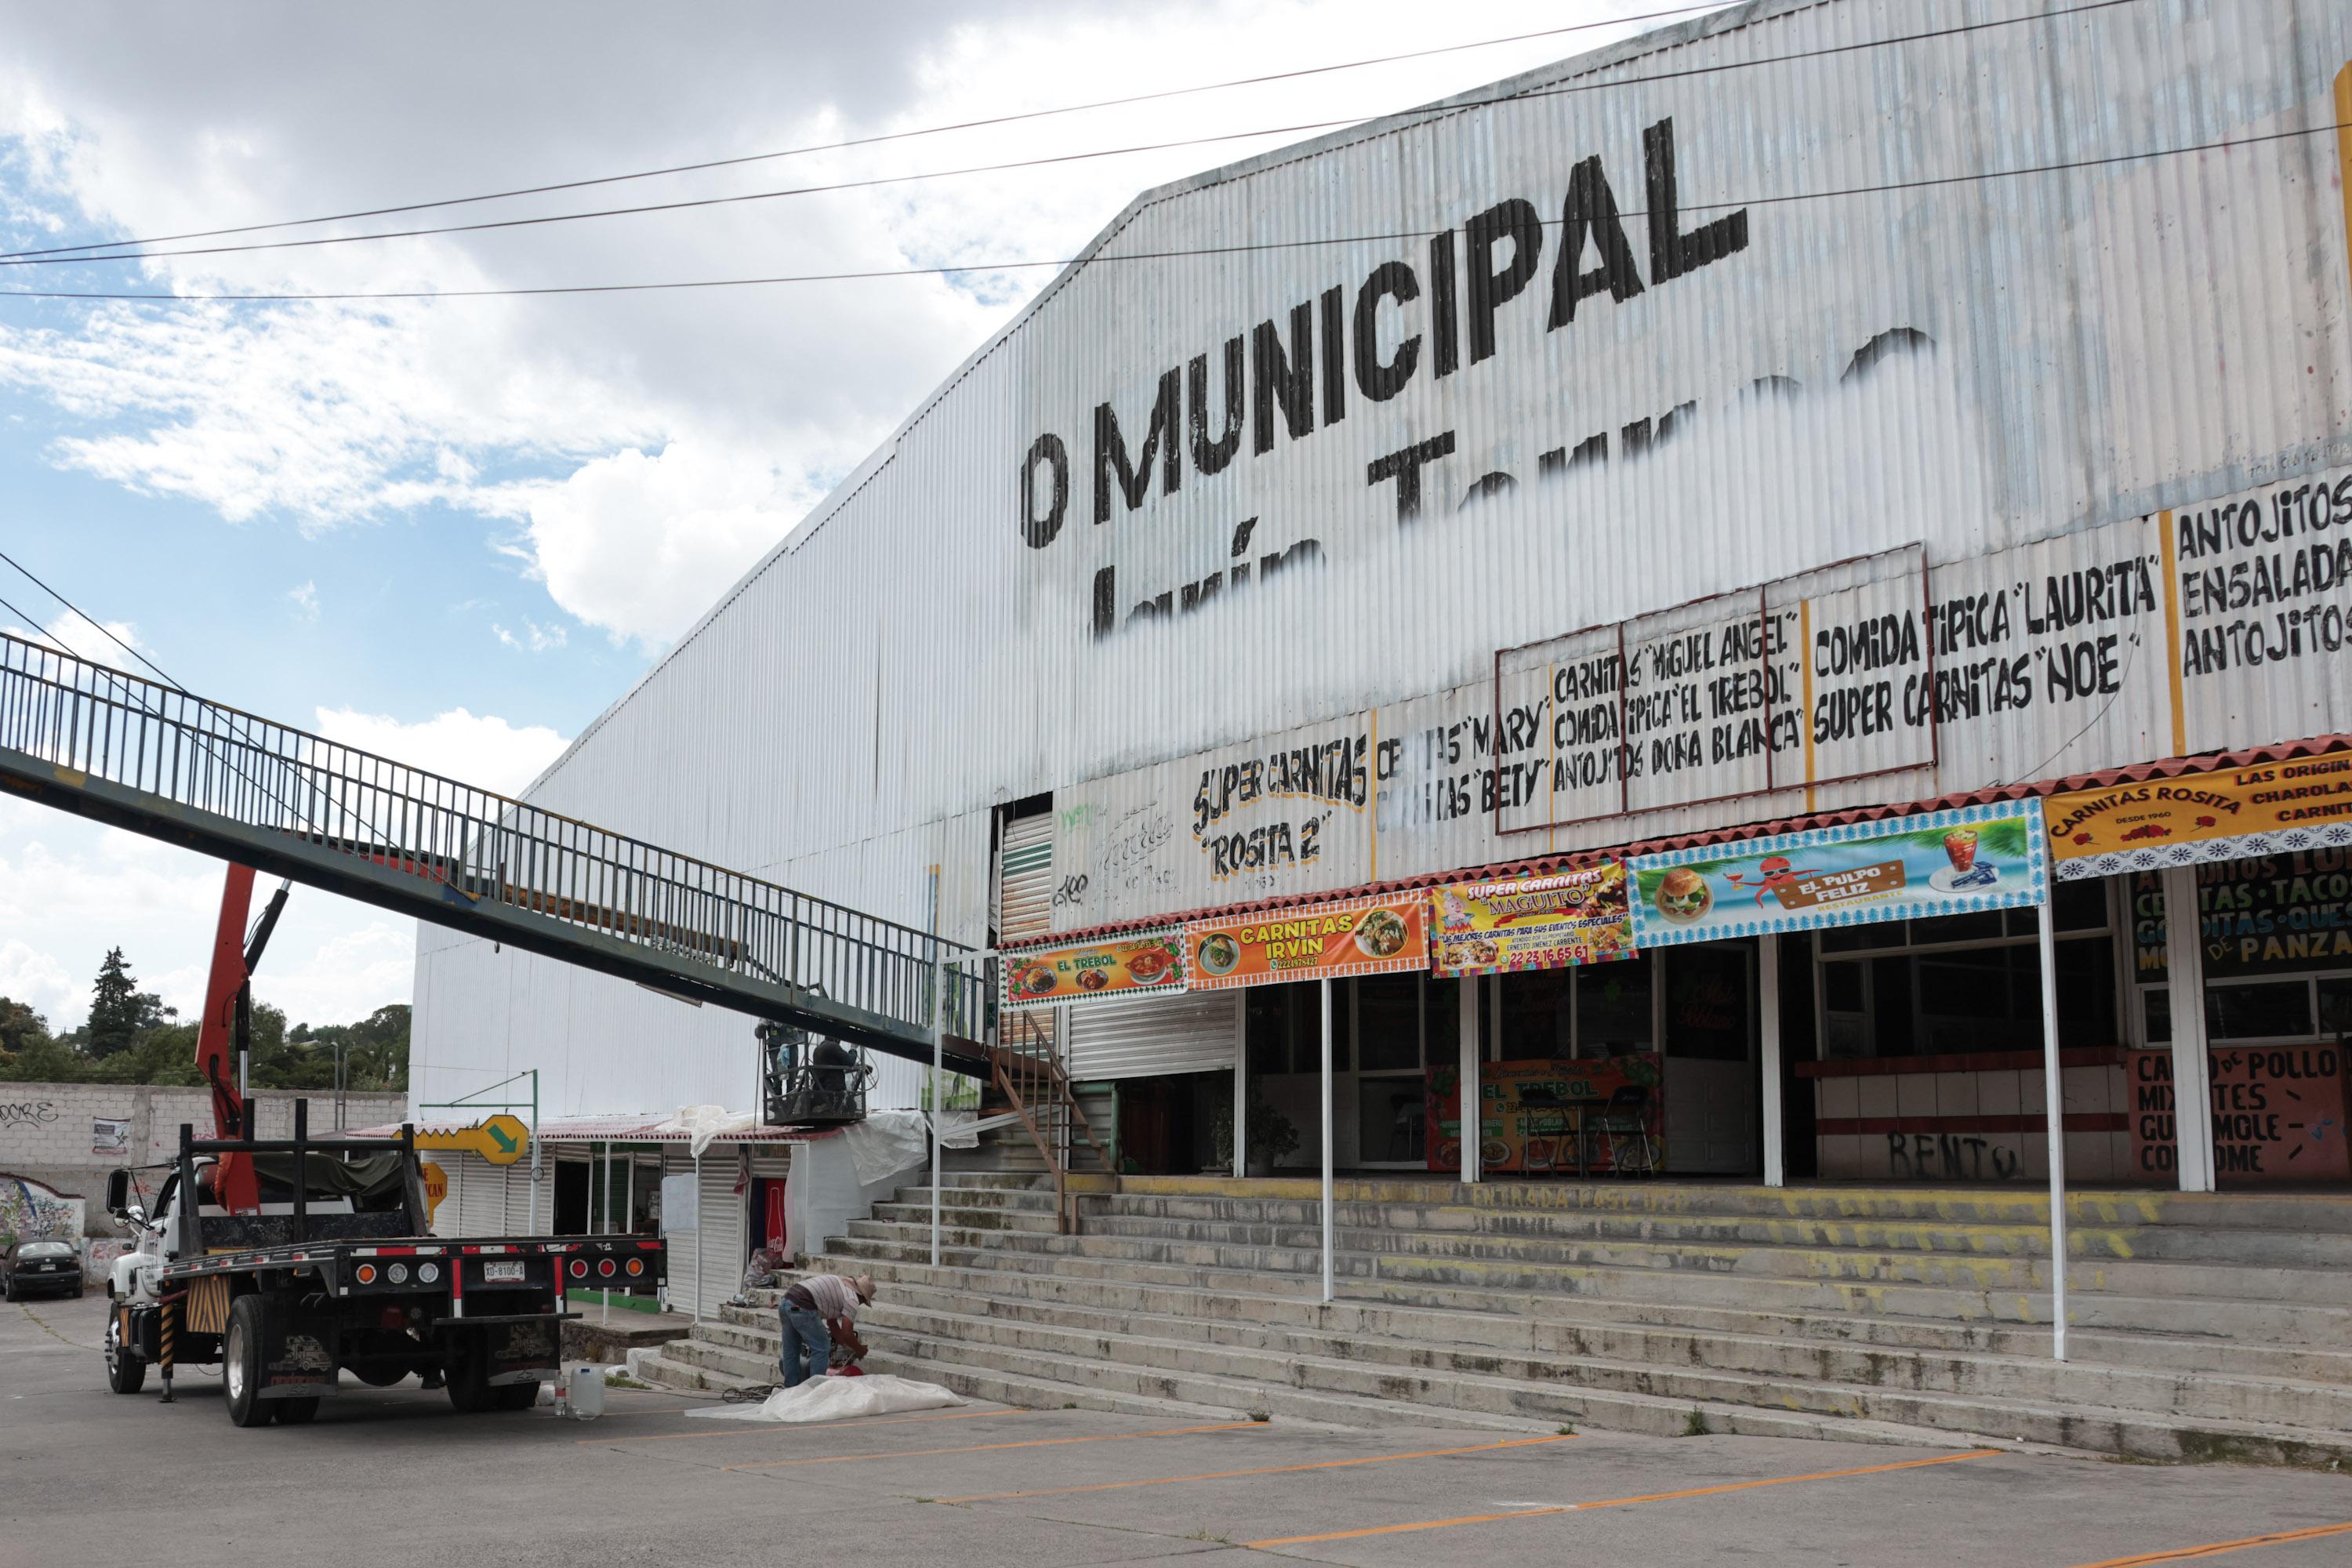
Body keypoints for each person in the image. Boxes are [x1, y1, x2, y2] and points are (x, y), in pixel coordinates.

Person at [778, 1272, 873, 1388]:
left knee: (791, 1349)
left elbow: (832, 1324)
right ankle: (815, 1390)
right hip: (803, 1306)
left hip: (787, 1302)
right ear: (862, 1297)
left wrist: (845, 1346)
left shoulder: (840, 1287)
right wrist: (860, 1349)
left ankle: (790, 1388)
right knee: (822, 1348)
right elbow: (847, 1333)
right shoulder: (853, 1299)